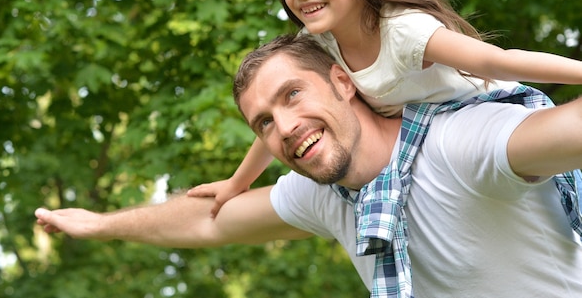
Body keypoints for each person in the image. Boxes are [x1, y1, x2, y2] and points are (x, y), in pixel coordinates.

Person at [36, 34, 582, 298]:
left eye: (293, 94)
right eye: (264, 122)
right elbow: (207, 219)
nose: (285, 126)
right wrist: (100, 224)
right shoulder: (325, 194)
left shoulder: (461, 143)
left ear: (344, 83)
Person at [188, 0, 582, 217]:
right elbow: (281, 118)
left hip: (493, 119)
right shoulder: (318, 44)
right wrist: (237, 183)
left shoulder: (404, 31)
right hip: (431, 143)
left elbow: (501, 61)